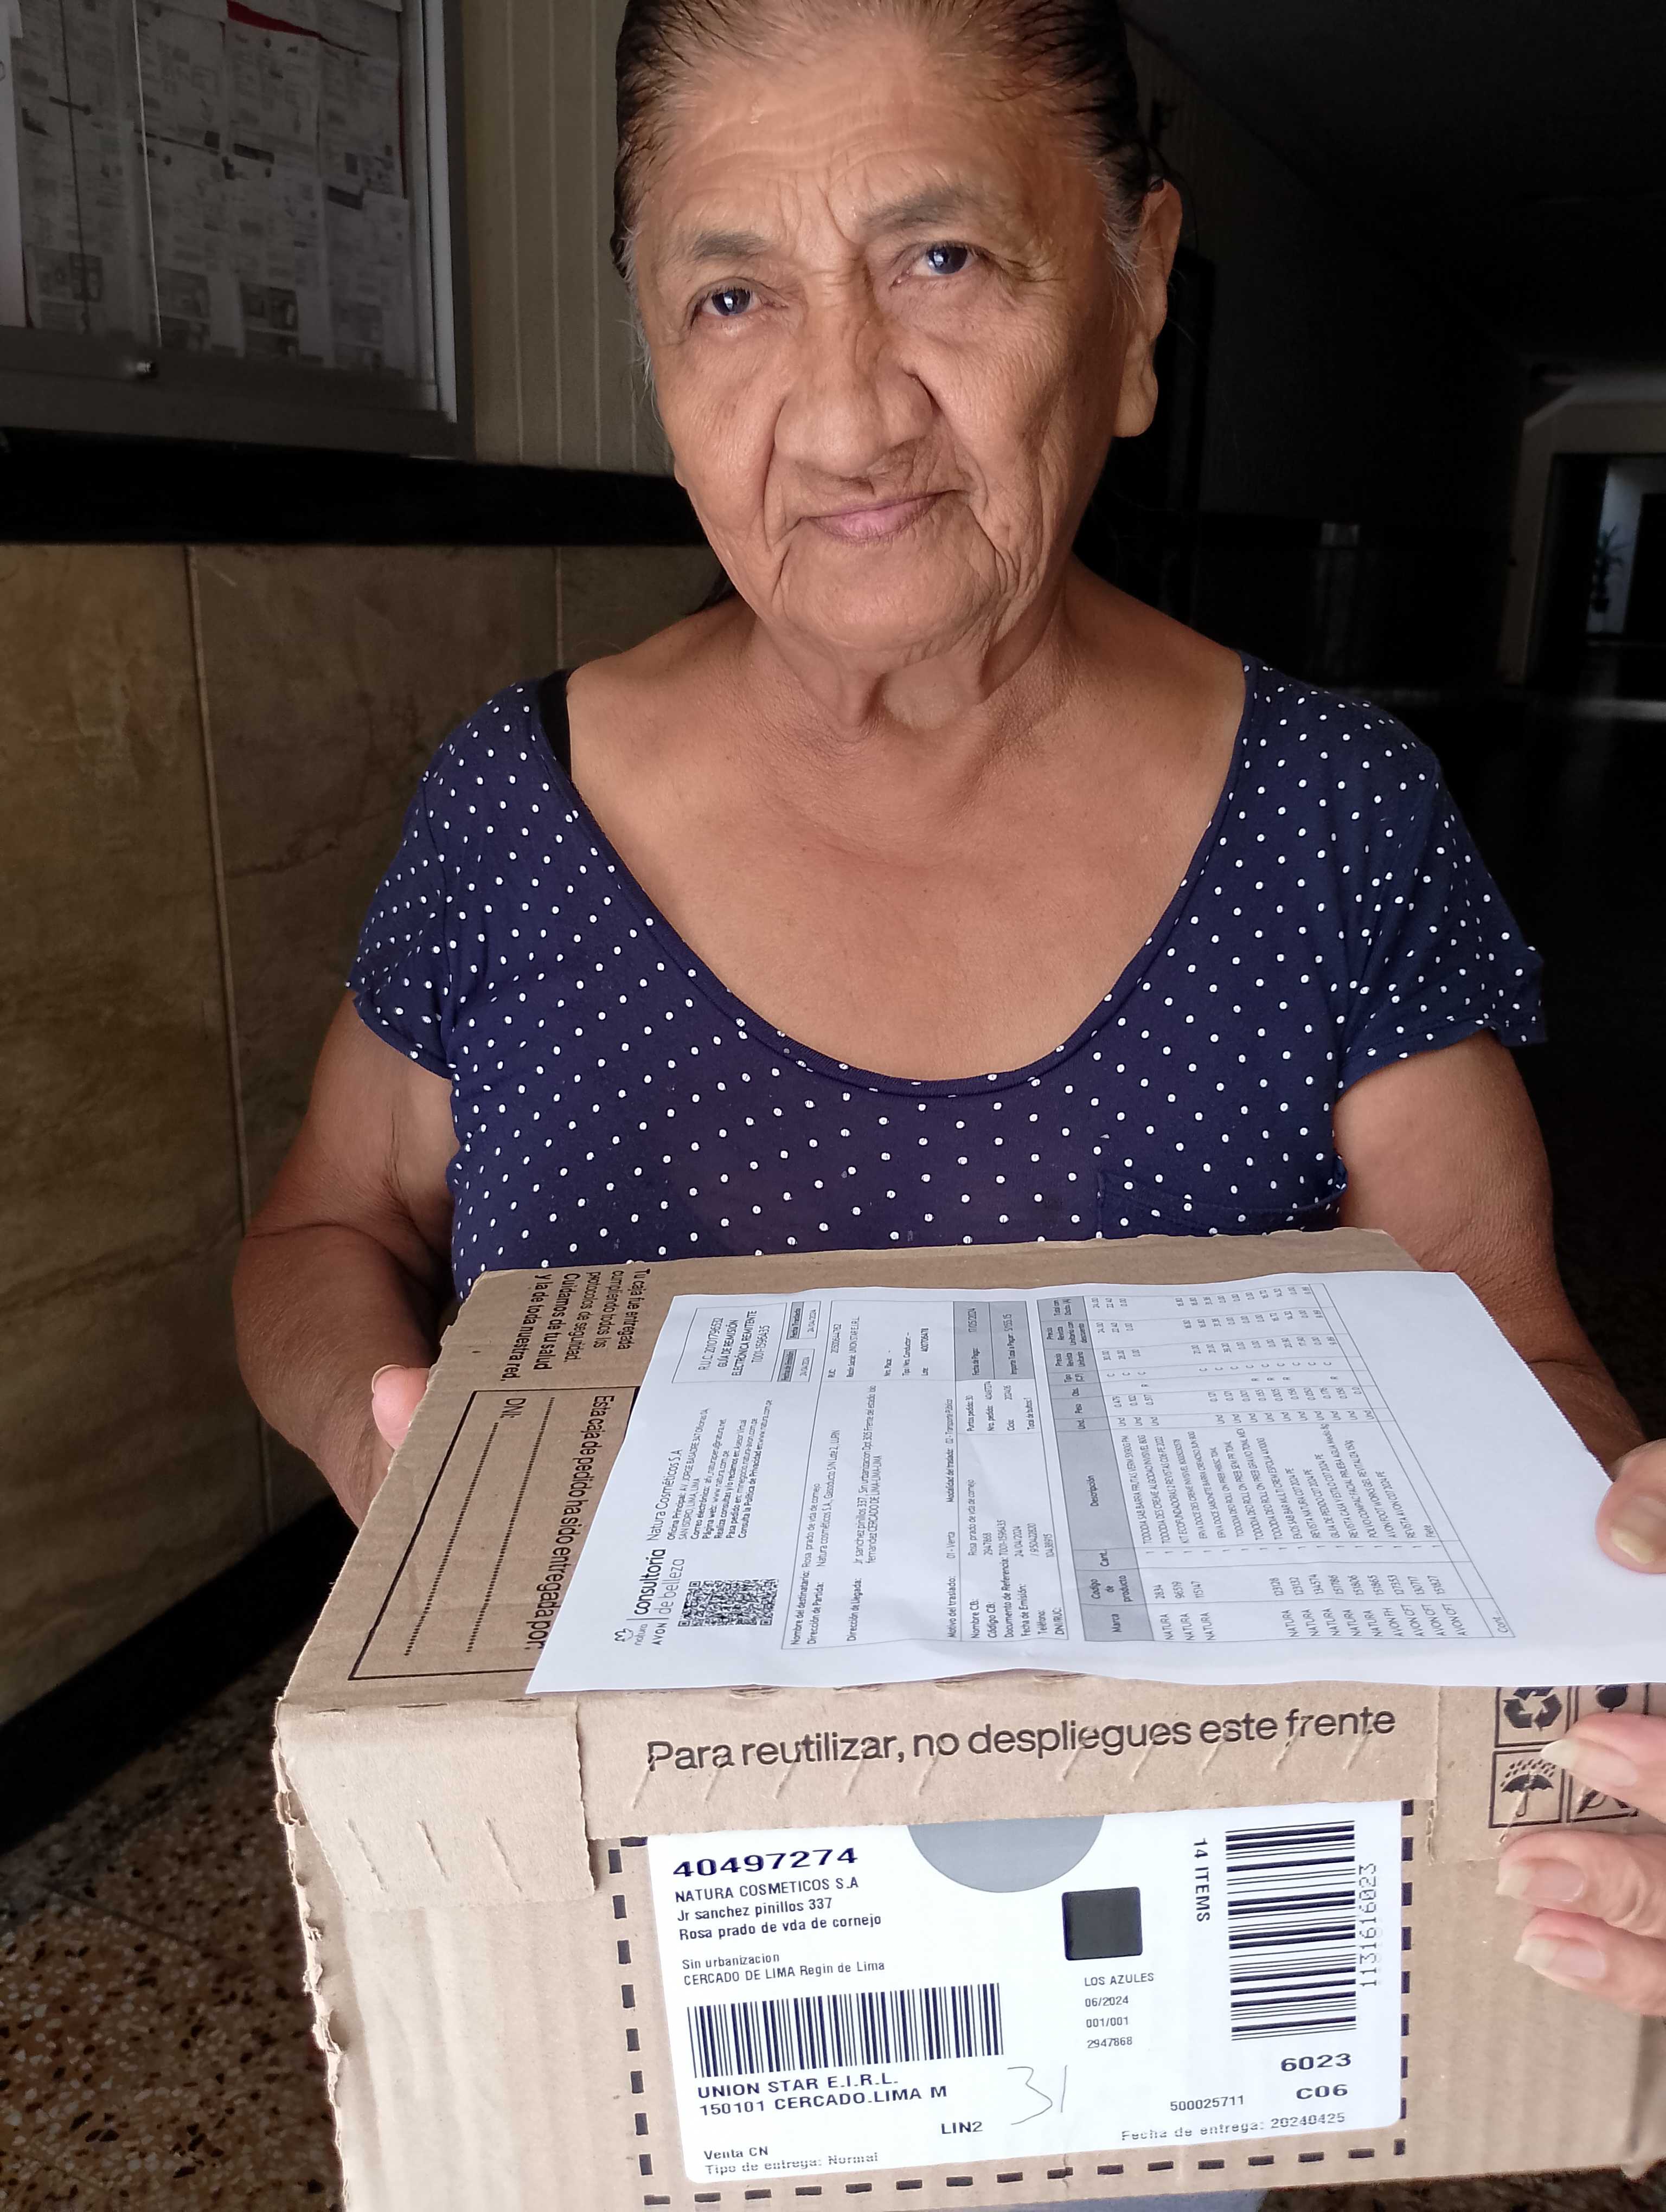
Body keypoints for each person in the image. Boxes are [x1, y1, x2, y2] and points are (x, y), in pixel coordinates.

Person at [234, 0, 1666, 2061]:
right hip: (613, 1961)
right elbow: (322, 1234)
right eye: (734, 294)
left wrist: (1619, 1614)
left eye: (941, 258)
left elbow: (1510, 1355)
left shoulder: (1334, 821)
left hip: (1145, 1972)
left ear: (1137, 290)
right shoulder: (515, 814)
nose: (845, 415)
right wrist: (395, 1466)